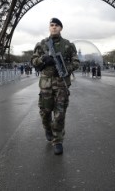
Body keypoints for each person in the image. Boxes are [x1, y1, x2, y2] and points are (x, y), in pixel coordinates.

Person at [31, 18, 80, 155]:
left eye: (56, 25)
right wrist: (42, 60)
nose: (54, 27)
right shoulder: (41, 44)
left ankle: (57, 140)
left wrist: (65, 68)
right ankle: (47, 129)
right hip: (46, 84)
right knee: (45, 112)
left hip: (61, 84)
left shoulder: (68, 45)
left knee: (60, 114)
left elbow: (76, 62)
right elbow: (33, 61)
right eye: (51, 25)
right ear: (49, 28)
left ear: (61, 28)